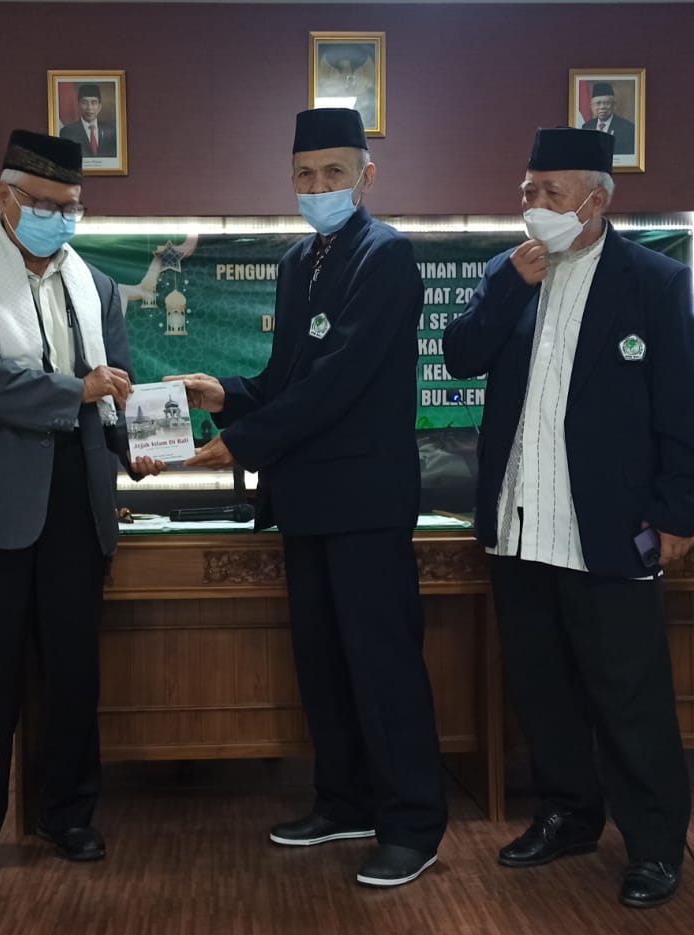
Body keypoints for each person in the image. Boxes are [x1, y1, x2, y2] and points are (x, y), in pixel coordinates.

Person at [168, 108, 447, 888]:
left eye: (333, 172)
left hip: (366, 502)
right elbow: (289, 377)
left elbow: (340, 381)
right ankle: (344, 801)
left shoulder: (386, 256)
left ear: (366, 175)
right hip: (307, 500)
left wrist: (245, 442)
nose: (317, 186)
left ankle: (412, 824)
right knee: (324, 664)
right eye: (304, 174)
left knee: (383, 666)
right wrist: (224, 394)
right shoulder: (299, 261)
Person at [443, 127, 694, 908]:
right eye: (527, 190)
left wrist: (677, 510)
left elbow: (682, 404)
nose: (533, 203)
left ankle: (655, 845)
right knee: (542, 688)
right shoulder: (506, 271)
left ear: (595, 201)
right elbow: (460, 356)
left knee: (629, 695)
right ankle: (567, 816)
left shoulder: (654, 281)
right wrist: (509, 288)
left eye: (550, 192)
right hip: (520, 525)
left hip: (609, 527)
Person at [0, 130, 163, 878]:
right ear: (5, 197)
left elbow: (117, 385)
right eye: (48, 204)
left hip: (75, 500)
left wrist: (136, 449)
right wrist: (76, 391)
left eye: (72, 207)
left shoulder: (97, 284)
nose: (61, 218)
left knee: (72, 670)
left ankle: (69, 814)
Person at [58, 84, 118, 158]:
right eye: (84, 103)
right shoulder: (67, 132)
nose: (89, 108)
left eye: (94, 103)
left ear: (99, 106)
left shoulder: (112, 131)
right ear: (78, 105)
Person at [580, 83, 636, 156]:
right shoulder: (586, 127)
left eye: (607, 103)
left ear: (613, 105)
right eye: (598, 103)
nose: (602, 107)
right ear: (591, 106)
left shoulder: (628, 128)